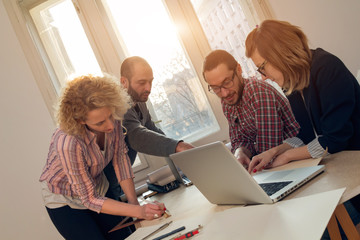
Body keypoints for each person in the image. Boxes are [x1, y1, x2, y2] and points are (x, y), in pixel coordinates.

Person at [245, 19, 360, 238]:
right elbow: (304, 135)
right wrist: (273, 152)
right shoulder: (294, 81)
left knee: (311, 232)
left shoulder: (327, 68)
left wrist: (288, 156)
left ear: (280, 52)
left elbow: (335, 139)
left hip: (356, 178)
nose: (264, 77)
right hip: (342, 173)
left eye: (262, 67)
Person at [39, 74, 165, 240]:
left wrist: (134, 205)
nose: (110, 126)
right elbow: (89, 199)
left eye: (111, 116)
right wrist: (139, 211)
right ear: (80, 120)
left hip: (98, 187)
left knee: (126, 236)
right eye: (99, 123)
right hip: (65, 200)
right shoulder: (68, 142)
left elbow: (120, 160)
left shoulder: (111, 119)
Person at [104, 56, 194, 200]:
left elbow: (152, 130)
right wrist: (178, 146)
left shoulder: (139, 103)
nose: (148, 88)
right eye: (141, 82)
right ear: (123, 82)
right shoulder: (118, 107)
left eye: (150, 81)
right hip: (98, 187)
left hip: (117, 181)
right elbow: (136, 136)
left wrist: (177, 148)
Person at [202, 49, 300, 170]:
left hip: (298, 158)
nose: (224, 93)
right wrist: (240, 152)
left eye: (227, 82)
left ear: (239, 69)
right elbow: (239, 139)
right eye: (216, 88)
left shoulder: (258, 92)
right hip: (273, 164)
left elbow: (267, 150)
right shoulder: (228, 100)